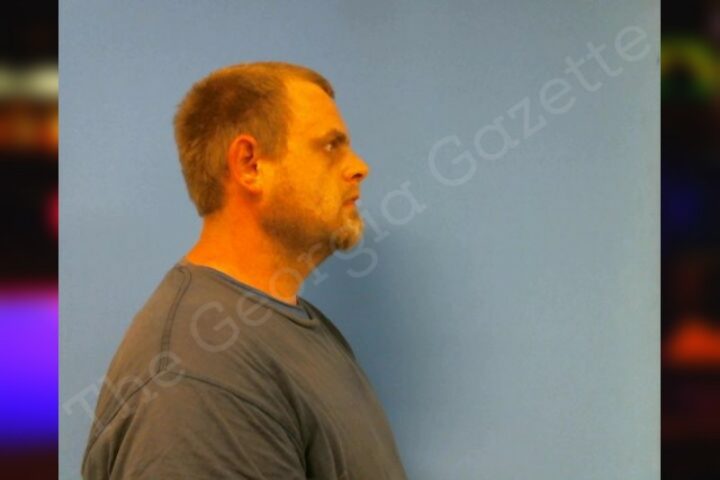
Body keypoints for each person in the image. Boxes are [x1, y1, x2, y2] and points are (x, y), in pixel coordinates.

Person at [81, 62, 408, 479]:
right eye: (331, 146)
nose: (359, 166)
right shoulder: (200, 375)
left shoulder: (295, 328)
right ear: (250, 164)